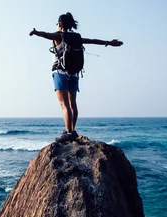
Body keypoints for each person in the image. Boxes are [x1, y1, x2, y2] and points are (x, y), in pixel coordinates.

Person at [29, 12, 123, 142]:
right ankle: (72, 130)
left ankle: (69, 133)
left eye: (57, 24)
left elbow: (46, 34)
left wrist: (36, 32)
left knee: (64, 104)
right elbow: (92, 41)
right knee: (73, 103)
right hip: (74, 73)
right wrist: (108, 42)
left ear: (60, 24)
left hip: (60, 73)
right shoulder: (77, 37)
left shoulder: (59, 36)